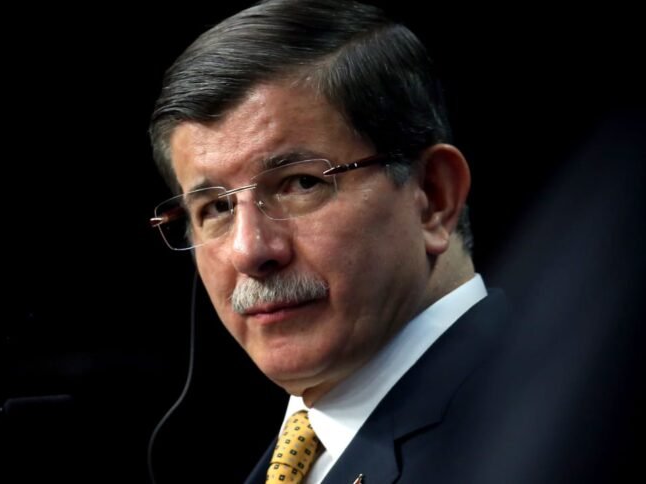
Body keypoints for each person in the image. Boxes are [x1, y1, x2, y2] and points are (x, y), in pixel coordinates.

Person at [147, 1, 508, 482]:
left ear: (433, 197)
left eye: (300, 184)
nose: (249, 251)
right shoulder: (299, 448)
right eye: (216, 208)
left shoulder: (540, 422)